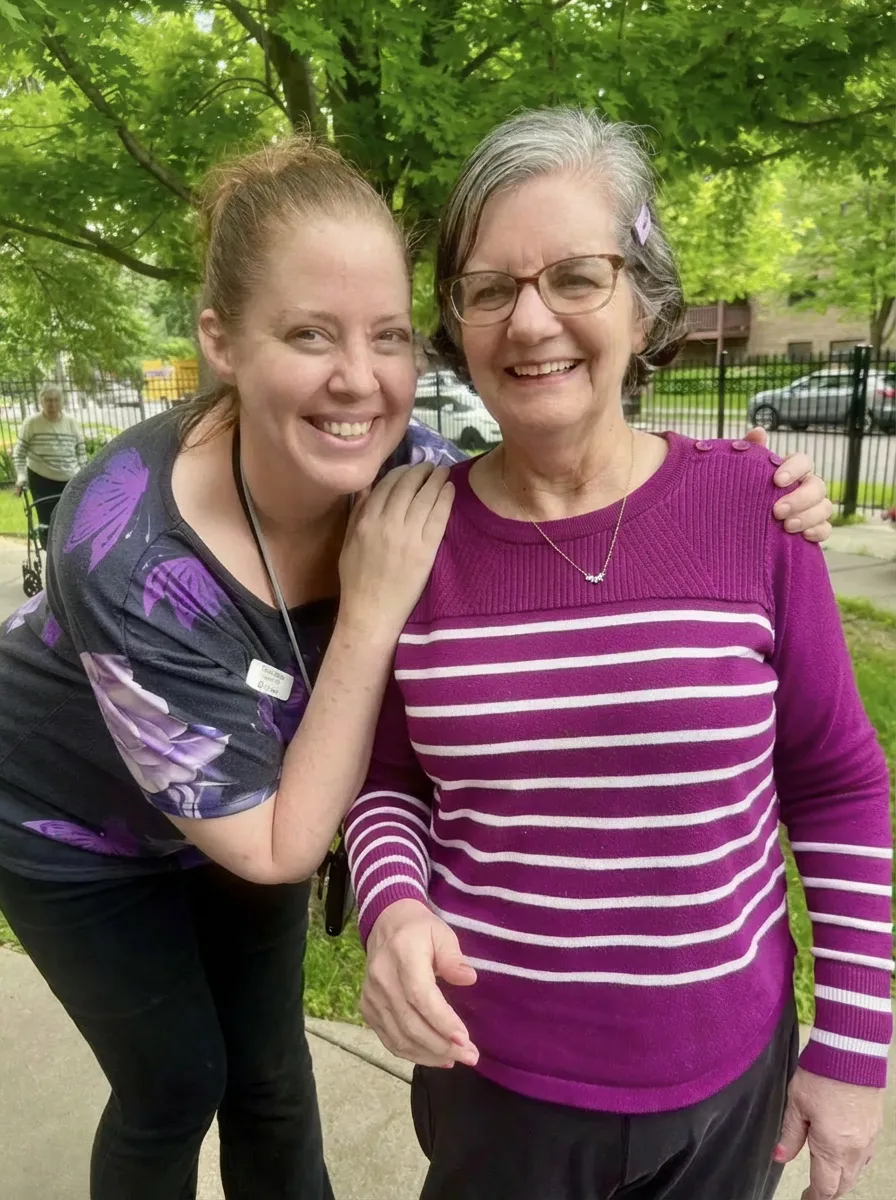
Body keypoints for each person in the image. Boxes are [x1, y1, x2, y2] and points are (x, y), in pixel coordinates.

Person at [0, 133, 829, 1200]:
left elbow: (578, 504)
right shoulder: (124, 544)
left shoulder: (409, 473)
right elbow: (280, 845)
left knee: (271, 1077)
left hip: (263, 793)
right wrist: (370, 612)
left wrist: (753, 496)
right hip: (75, 824)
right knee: (176, 1081)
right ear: (221, 340)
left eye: (387, 335)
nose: (358, 381)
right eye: (308, 333)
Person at [345, 109, 893, 1200]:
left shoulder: (753, 510)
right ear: (456, 320)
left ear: (642, 302)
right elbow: (391, 784)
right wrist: (392, 904)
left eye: (576, 276)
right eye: (488, 288)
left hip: (727, 1083)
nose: (528, 319)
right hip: (491, 1079)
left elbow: (835, 786)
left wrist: (851, 1050)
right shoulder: (408, 531)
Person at [13, 384, 88, 547]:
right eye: (48, 400)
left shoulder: (71, 423)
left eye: (56, 400)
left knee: (71, 520)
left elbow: (81, 451)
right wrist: (21, 476)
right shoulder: (31, 423)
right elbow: (19, 453)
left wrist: (83, 474)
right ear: (41, 402)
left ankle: (68, 553)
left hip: (69, 478)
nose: (52, 404)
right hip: (41, 478)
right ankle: (49, 554)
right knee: (47, 522)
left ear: (61, 402)